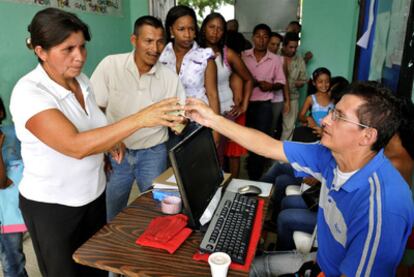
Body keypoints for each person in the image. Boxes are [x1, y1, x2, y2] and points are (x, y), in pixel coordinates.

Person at [10, 8, 184, 277]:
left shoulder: (80, 80)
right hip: (54, 208)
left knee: (96, 266)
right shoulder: (29, 92)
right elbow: (75, 145)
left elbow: (95, 118)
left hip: (92, 196)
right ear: (41, 51)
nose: (79, 57)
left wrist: (110, 140)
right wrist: (140, 119)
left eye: (82, 47)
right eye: (68, 49)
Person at [184, 81, 414, 276]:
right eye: (332, 111)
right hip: (320, 262)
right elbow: (269, 146)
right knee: (248, 267)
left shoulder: (383, 206)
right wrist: (212, 119)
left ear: (367, 136)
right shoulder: (331, 156)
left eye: (339, 117)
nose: (325, 120)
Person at [90, 16, 186, 221]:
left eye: (160, 42)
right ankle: (114, 249)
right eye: (148, 41)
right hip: (117, 153)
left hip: (153, 152)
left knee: (155, 208)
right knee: (112, 210)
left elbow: (178, 117)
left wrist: (183, 121)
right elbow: (94, 108)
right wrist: (108, 141)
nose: (155, 48)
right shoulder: (111, 65)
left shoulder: (170, 78)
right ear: (134, 40)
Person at [159, 5, 220, 145]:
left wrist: (216, 131)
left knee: (195, 165)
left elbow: (213, 95)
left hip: (197, 124)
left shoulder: (205, 57)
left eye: (191, 29)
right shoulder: (161, 55)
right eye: (181, 29)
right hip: (166, 124)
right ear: (171, 30)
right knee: (169, 166)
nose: (187, 34)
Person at [199, 12, 253, 165]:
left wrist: (243, 106)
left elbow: (249, 79)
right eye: (211, 27)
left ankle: (217, 187)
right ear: (204, 29)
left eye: (220, 29)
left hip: (224, 112)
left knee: (217, 157)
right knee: (201, 157)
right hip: (200, 113)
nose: (215, 32)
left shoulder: (227, 54)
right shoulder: (193, 52)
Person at [241, 23, 287, 180]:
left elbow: (281, 82)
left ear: (268, 40)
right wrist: (250, 82)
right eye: (258, 36)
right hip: (244, 104)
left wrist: (271, 86)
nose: (261, 40)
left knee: (260, 140)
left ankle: (256, 176)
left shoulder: (275, 59)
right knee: (242, 139)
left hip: (263, 106)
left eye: (265, 36)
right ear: (253, 37)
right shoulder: (243, 55)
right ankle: (248, 164)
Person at [0, 97, 27, 277]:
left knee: (13, 261)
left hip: (13, 210)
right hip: (6, 213)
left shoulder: (13, 133)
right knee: (12, 261)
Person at [280, 32, 308, 141]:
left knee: (288, 128)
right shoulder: (276, 56)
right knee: (272, 126)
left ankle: (282, 155)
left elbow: (303, 78)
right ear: (284, 46)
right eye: (291, 47)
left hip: (292, 97)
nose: (293, 50)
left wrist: (300, 83)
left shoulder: (299, 60)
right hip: (276, 97)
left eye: (295, 47)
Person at [298, 67, 334, 139]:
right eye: (320, 82)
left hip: (328, 135)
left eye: (327, 81)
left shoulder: (332, 98)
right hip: (313, 134)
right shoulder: (311, 98)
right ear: (314, 83)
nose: (324, 85)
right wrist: (308, 118)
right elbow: (300, 116)